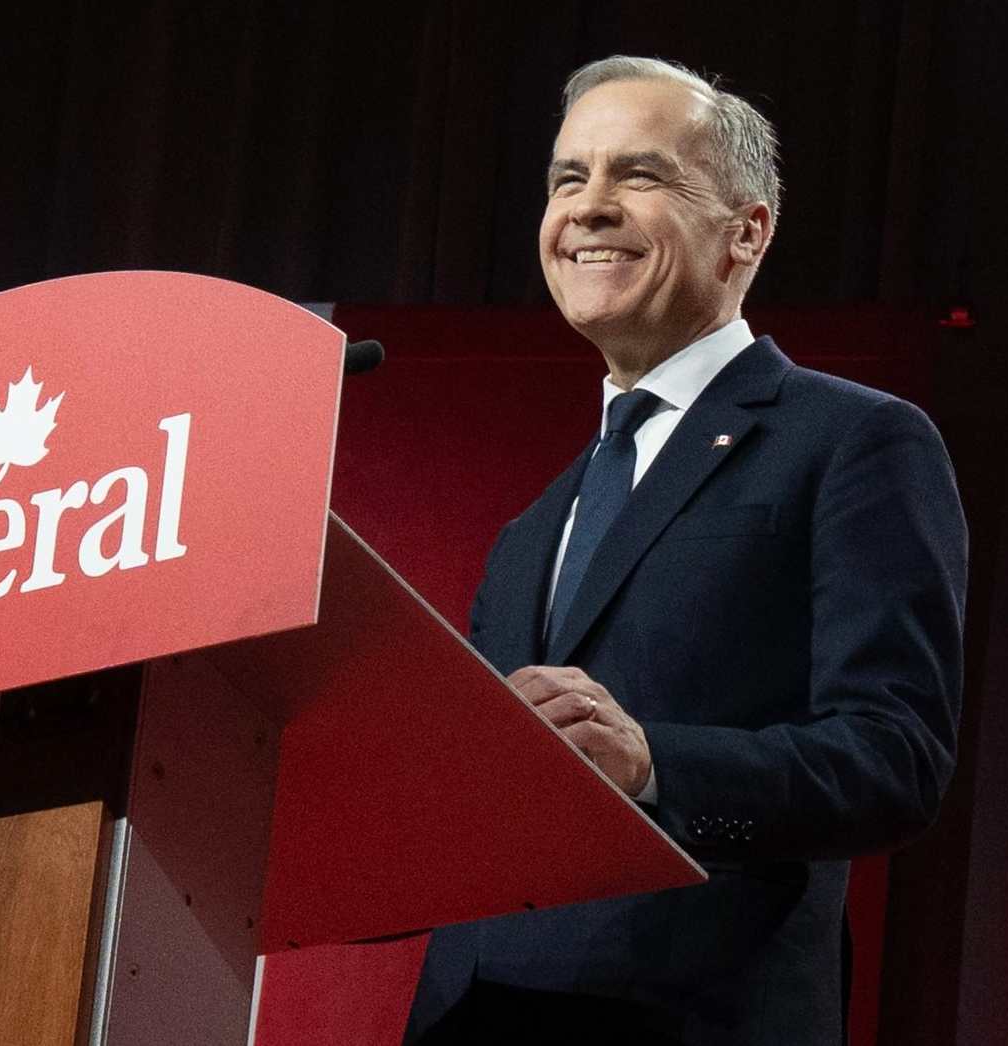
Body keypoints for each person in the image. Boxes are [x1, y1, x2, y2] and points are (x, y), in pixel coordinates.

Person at [404, 56, 967, 1045]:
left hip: (690, 1017)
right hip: (473, 1014)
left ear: (747, 230)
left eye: (640, 175)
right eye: (568, 178)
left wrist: (652, 761)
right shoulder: (533, 527)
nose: (589, 207)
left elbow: (893, 758)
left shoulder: (852, 441)